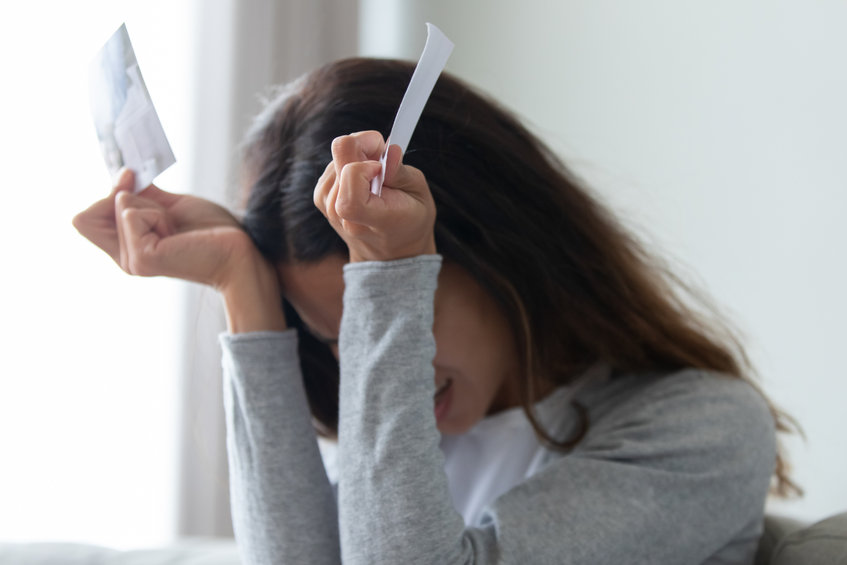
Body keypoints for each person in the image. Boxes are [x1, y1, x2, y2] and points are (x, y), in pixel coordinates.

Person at [74, 57, 797, 564]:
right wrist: (243, 283)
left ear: (496, 251)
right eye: (336, 339)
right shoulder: (407, 445)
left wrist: (388, 277)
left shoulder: (707, 428)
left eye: (392, 314)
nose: (372, 364)